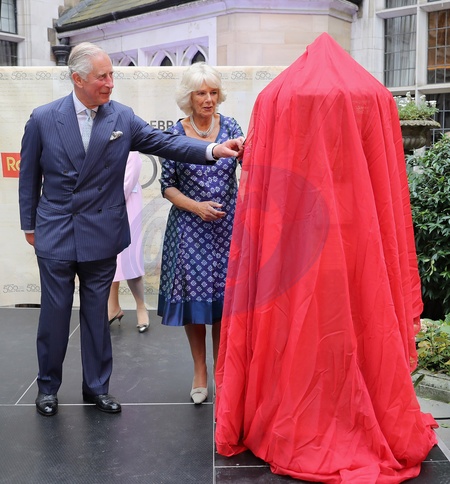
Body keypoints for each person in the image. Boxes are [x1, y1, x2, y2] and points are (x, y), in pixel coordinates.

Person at [214, 33, 438, 482]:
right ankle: (338, 408)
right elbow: (384, 192)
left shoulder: (277, 98)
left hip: (307, 243)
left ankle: (308, 411)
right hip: (352, 241)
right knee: (344, 318)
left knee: (307, 323)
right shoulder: (373, 100)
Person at [18, 42, 244, 417]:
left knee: (97, 316)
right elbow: (28, 178)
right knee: (54, 316)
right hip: (56, 232)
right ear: (77, 79)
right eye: (102, 77)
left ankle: (97, 388)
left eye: (112, 75)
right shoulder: (43, 118)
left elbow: (166, 143)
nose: (110, 83)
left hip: (101, 233)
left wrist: (213, 150)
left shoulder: (122, 117)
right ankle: (47, 389)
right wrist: (29, 225)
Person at [157, 62, 244, 404]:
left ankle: (221, 371)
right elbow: (167, 186)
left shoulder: (231, 126)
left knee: (223, 303)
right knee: (195, 303)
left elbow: (248, 165)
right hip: (190, 228)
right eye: (201, 93)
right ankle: (199, 370)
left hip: (227, 228)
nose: (208, 99)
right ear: (188, 97)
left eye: (213, 92)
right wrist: (196, 207)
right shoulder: (174, 134)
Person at [108, 151, 150, 333]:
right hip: (102, 205)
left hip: (125, 202)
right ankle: (113, 307)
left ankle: (141, 306)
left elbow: (129, 177)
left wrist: (105, 201)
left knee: (130, 257)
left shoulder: (129, 147)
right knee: (109, 257)